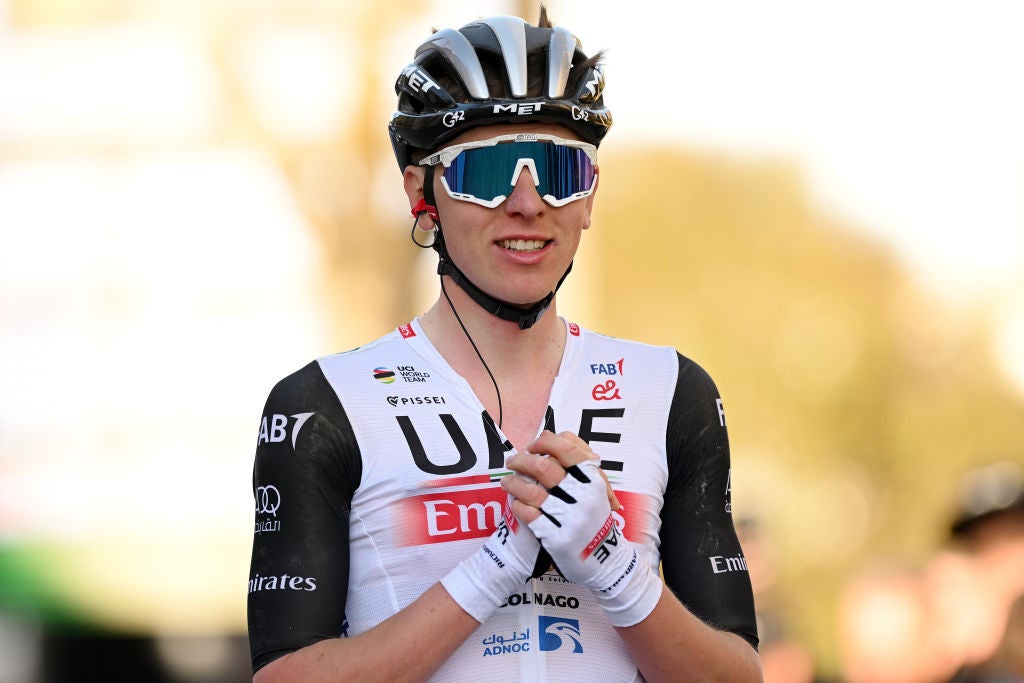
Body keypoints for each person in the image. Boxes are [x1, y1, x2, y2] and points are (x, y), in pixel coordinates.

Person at [247, 9, 760, 682]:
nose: (527, 203)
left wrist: (612, 563)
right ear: (420, 193)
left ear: (590, 196)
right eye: (487, 172)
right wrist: (496, 563)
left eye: (558, 168)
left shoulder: (669, 391)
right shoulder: (326, 403)